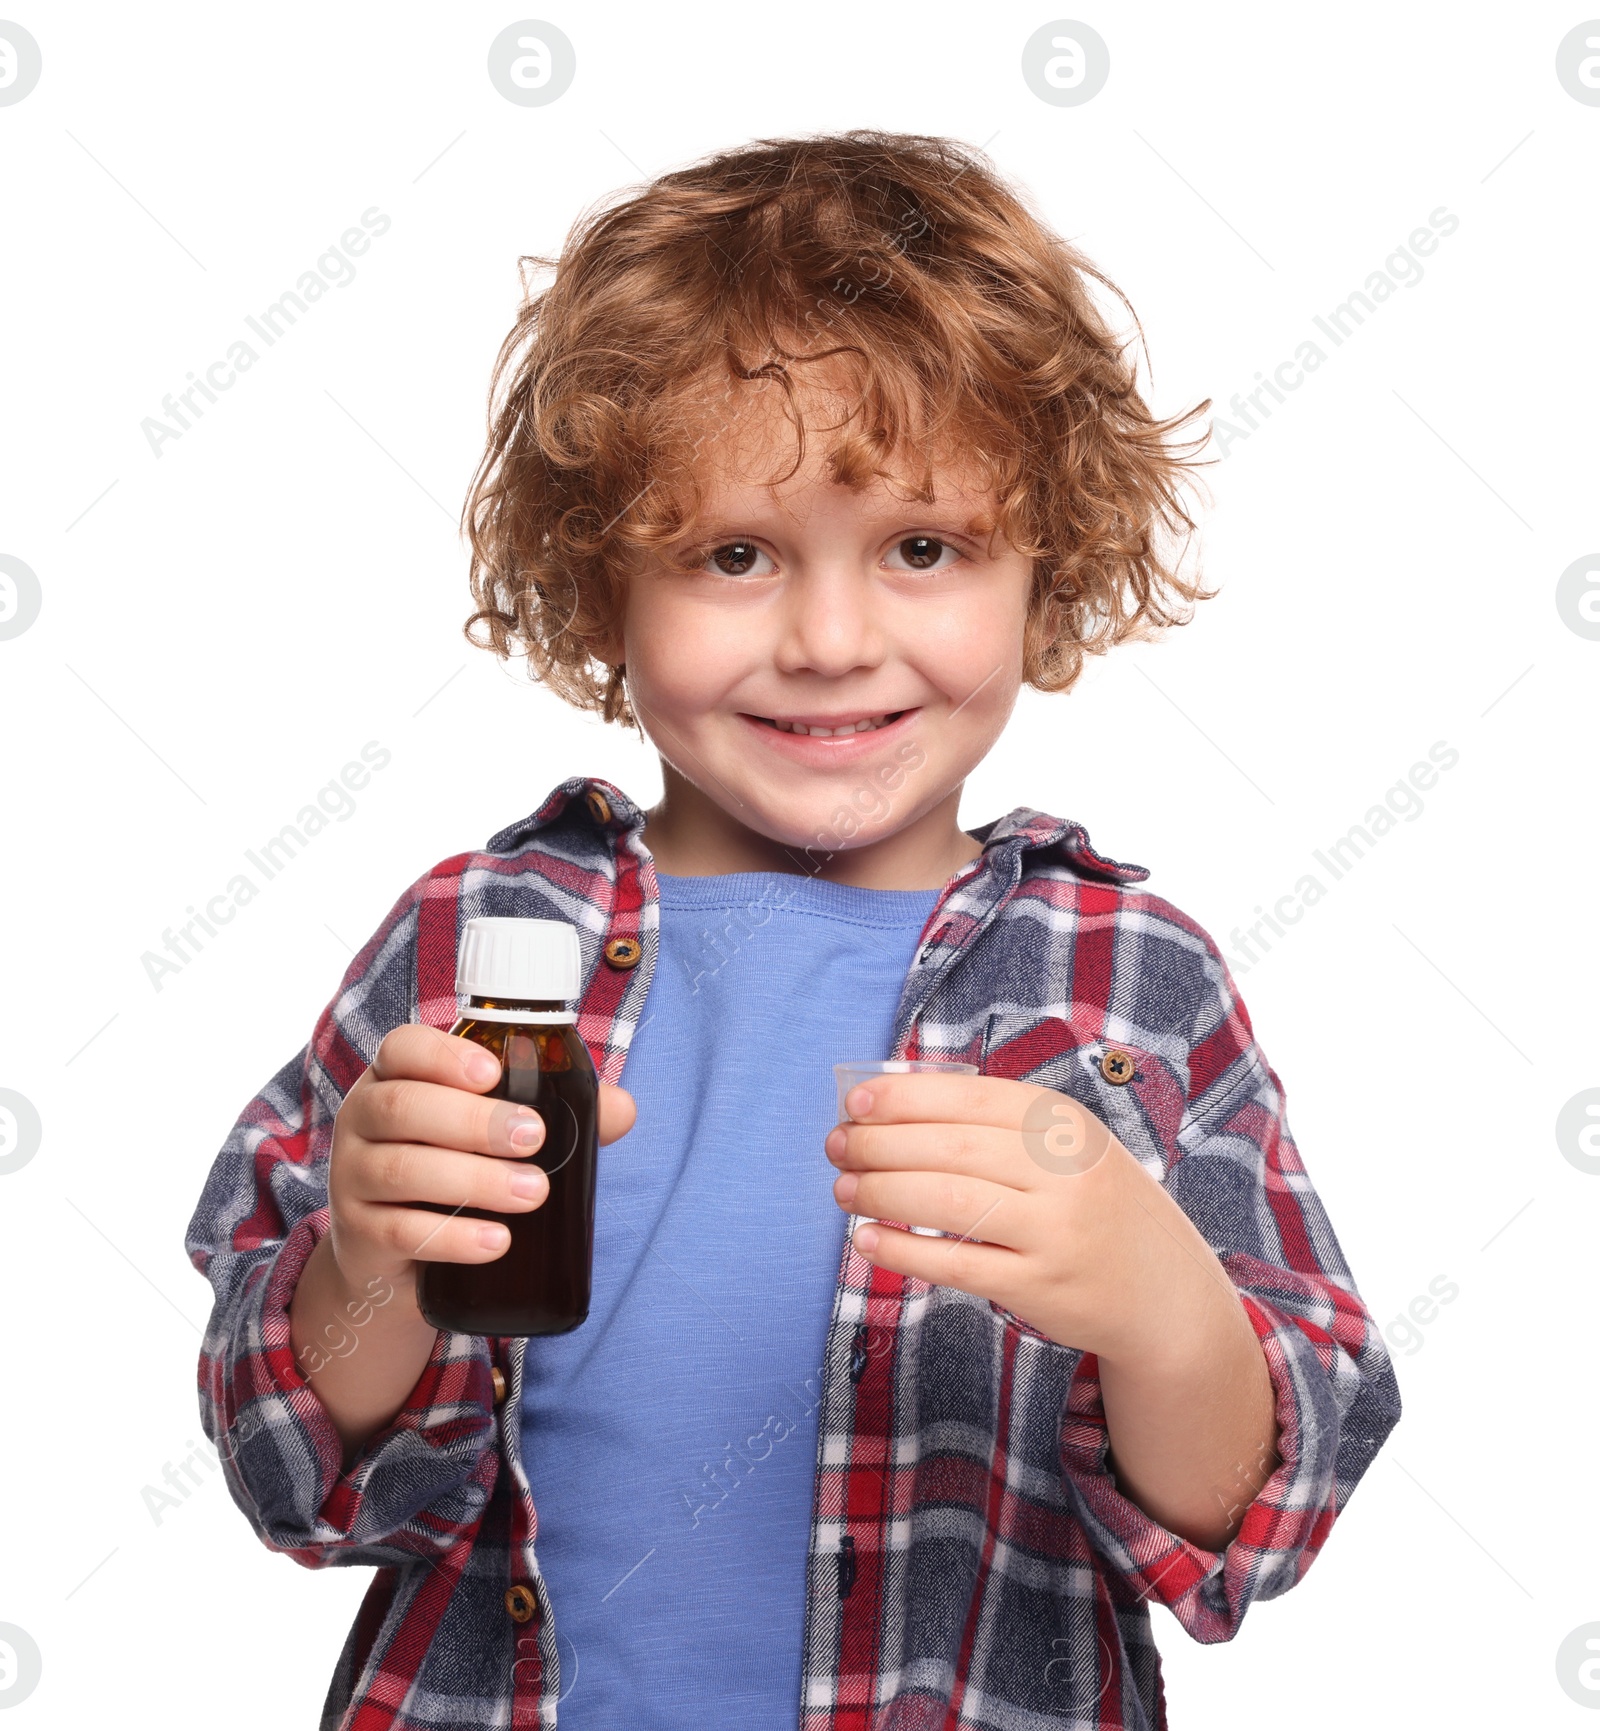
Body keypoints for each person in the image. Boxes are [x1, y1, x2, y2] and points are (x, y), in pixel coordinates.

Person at [185, 130, 1401, 1730]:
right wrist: (371, 1260)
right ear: (597, 583)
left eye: (923, 547)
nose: (832, 640)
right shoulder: (474, 942)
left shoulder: (1132, 981)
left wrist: (1163, 1309)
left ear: (1049, 568)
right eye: (734, 556)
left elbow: (1254, 1527)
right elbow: (298, 1478)